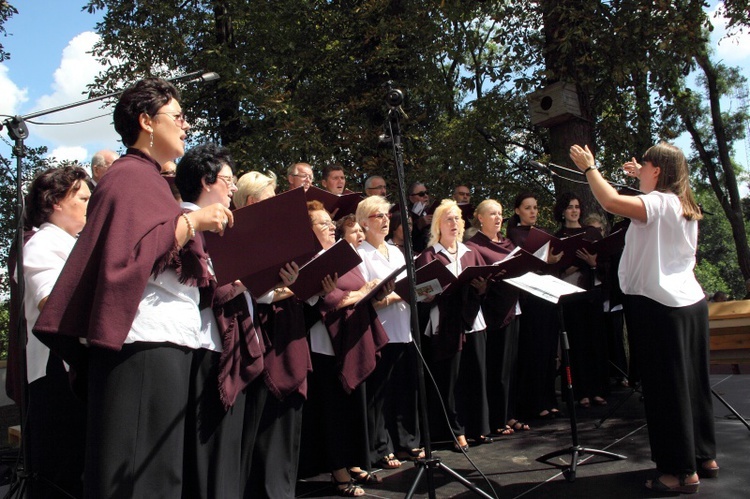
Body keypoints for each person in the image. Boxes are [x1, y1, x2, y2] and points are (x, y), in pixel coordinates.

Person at [33, 77, 234, 498]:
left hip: (170, 339)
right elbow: (124, 259)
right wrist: (192, 222)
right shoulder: (126, 177)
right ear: (146, 121)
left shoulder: (153, 181)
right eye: (177, 117)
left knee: (161, 474)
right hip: (143, 342)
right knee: (139, 475)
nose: (185, 126)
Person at [570, 142, 718, 494]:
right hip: (690, 303)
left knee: (665, 391)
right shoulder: (683, 203)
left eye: (646, 164)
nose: (639, 170)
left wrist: (590, 168)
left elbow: (610, 202)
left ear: (658, 171)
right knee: (693, 385)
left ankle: (678, 472)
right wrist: (641, 175)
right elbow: (650, 194)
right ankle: (703, 457)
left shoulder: (656, 203)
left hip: (659, 306)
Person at [175, 142, 261, 498]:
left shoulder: (220, 228)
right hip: (199, 348)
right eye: (228, 180)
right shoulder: (184, 224)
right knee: (205, 454)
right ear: (206, 181)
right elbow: (197, 289)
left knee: (227, 452)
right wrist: (244, 279)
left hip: (224, 345)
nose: (233, 189)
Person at [302, 200, 388, 497]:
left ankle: (352, 462)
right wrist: (356, 294)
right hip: (325, 344)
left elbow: (355, 287)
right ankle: (337, 470)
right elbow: (325, 300)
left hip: (351, 338)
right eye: (322, 224)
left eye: (330, 223)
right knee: (332, 411)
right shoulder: (308, 259)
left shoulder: (342, 255)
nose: (329, 227)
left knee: (352, 407)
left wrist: (369, 291)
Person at [232, 169, 310, 498]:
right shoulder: (237, 234)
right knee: (259, 422)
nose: (276, 201)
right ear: (252, 201)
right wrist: (286, 287)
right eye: (269, 195)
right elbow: (253, 290)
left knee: (283, 420)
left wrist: (299, 282)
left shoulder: (276, 233)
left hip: (286, 328)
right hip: (255, 335)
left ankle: (281, 489)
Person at [21, 166, 90, 498]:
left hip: (75, 367)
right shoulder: (43, 243)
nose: (91, 203)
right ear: (56, 201)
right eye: (83, 196)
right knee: (60, 474)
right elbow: (53, 303)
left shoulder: (75, 244)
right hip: (56, 370)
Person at [416, 199, 491, 452]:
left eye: (458, 218)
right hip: (445, 321)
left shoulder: (472, 252)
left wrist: (482, 287)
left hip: (472, 319)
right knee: (451, 379)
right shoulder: (429, 255)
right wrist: (430, 293)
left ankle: (477, 427)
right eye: (449, 219)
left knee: (476, 373)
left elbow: (484, 283)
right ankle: (455, 431)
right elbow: (420, 291)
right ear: (438, 224)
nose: (455, 223)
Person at [356, 196, 424, 468]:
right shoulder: (360, 254)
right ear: (363, 222)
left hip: (404, 329)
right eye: (378, 216)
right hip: (380, 332)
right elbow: (367, 297)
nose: (385, 220)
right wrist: (399, 295)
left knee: (403, 390)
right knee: (379, 396)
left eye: (386, 215)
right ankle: (380, 448)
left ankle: (406, 442)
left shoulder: (396, 252)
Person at [465, 199, 527, 435]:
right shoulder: (474, 246)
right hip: (492, 311)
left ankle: (509, 414)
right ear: (480, 218)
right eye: (492, 214)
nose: (498, 218)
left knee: (511, 367)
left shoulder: (507, 242)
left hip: (514, 306)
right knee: (496, 368)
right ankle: (496, 419)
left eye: (500, 213)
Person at [506, 192, 564, 421]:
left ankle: (549, 399)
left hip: (547, 296)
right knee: (534, 350)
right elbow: (519, 265)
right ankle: (534, 401)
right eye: (528, 208)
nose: (533, 212)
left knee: (549, 350)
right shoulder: (513, 235)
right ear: (517, 210)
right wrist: (544, 261)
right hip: (529, 299)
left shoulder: (543, 234)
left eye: (536, 208)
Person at [553, 193, 608, 408]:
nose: (574, 211)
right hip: (570, 296)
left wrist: (593, 263)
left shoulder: (591, 233)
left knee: (595, 342)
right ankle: (581, 392)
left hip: (591, 295)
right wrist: (569, 266)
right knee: (577, 345)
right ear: (563, 211)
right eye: (569, 207)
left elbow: (605, 260)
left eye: (577, 207)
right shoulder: (558, 237)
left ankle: (598, 390)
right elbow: (554, 268)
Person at [407, 181, 433, 253]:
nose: (426, 196)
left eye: (426, 193)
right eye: (421, 194)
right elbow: (404, 237)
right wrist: (418, 225)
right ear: (411, 198)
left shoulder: (431, 210)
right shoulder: (406, 214)